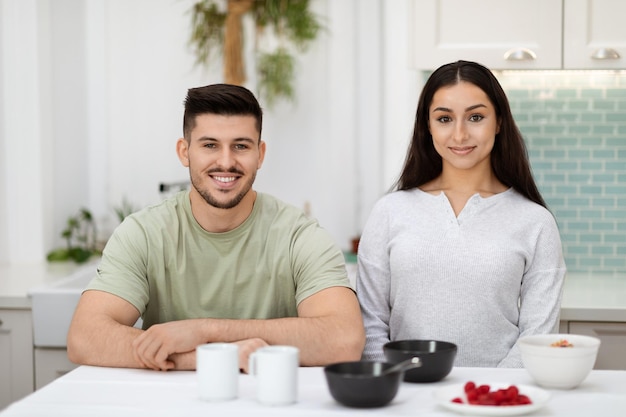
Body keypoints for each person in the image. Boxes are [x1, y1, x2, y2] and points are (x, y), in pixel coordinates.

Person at [67, 84, 365, 372]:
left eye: (241, 146)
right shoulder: (143, 233)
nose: (226, 161)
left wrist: (205, 331)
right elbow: (85, 337)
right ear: (184, 152)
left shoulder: (299, 236)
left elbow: (344, 340)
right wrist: (206, 358)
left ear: (260, 154)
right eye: (210, 145)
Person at [357, 60, 566, 368]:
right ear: (427, 126)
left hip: (496, 405)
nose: (459, 134)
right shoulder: (389, 212)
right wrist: (398, 385)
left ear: (499, 122)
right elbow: (369, 322)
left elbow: (537, 335)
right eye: (444, 118)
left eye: (476, 117)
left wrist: (489, 397)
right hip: (408, 397)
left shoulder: (535, 223)